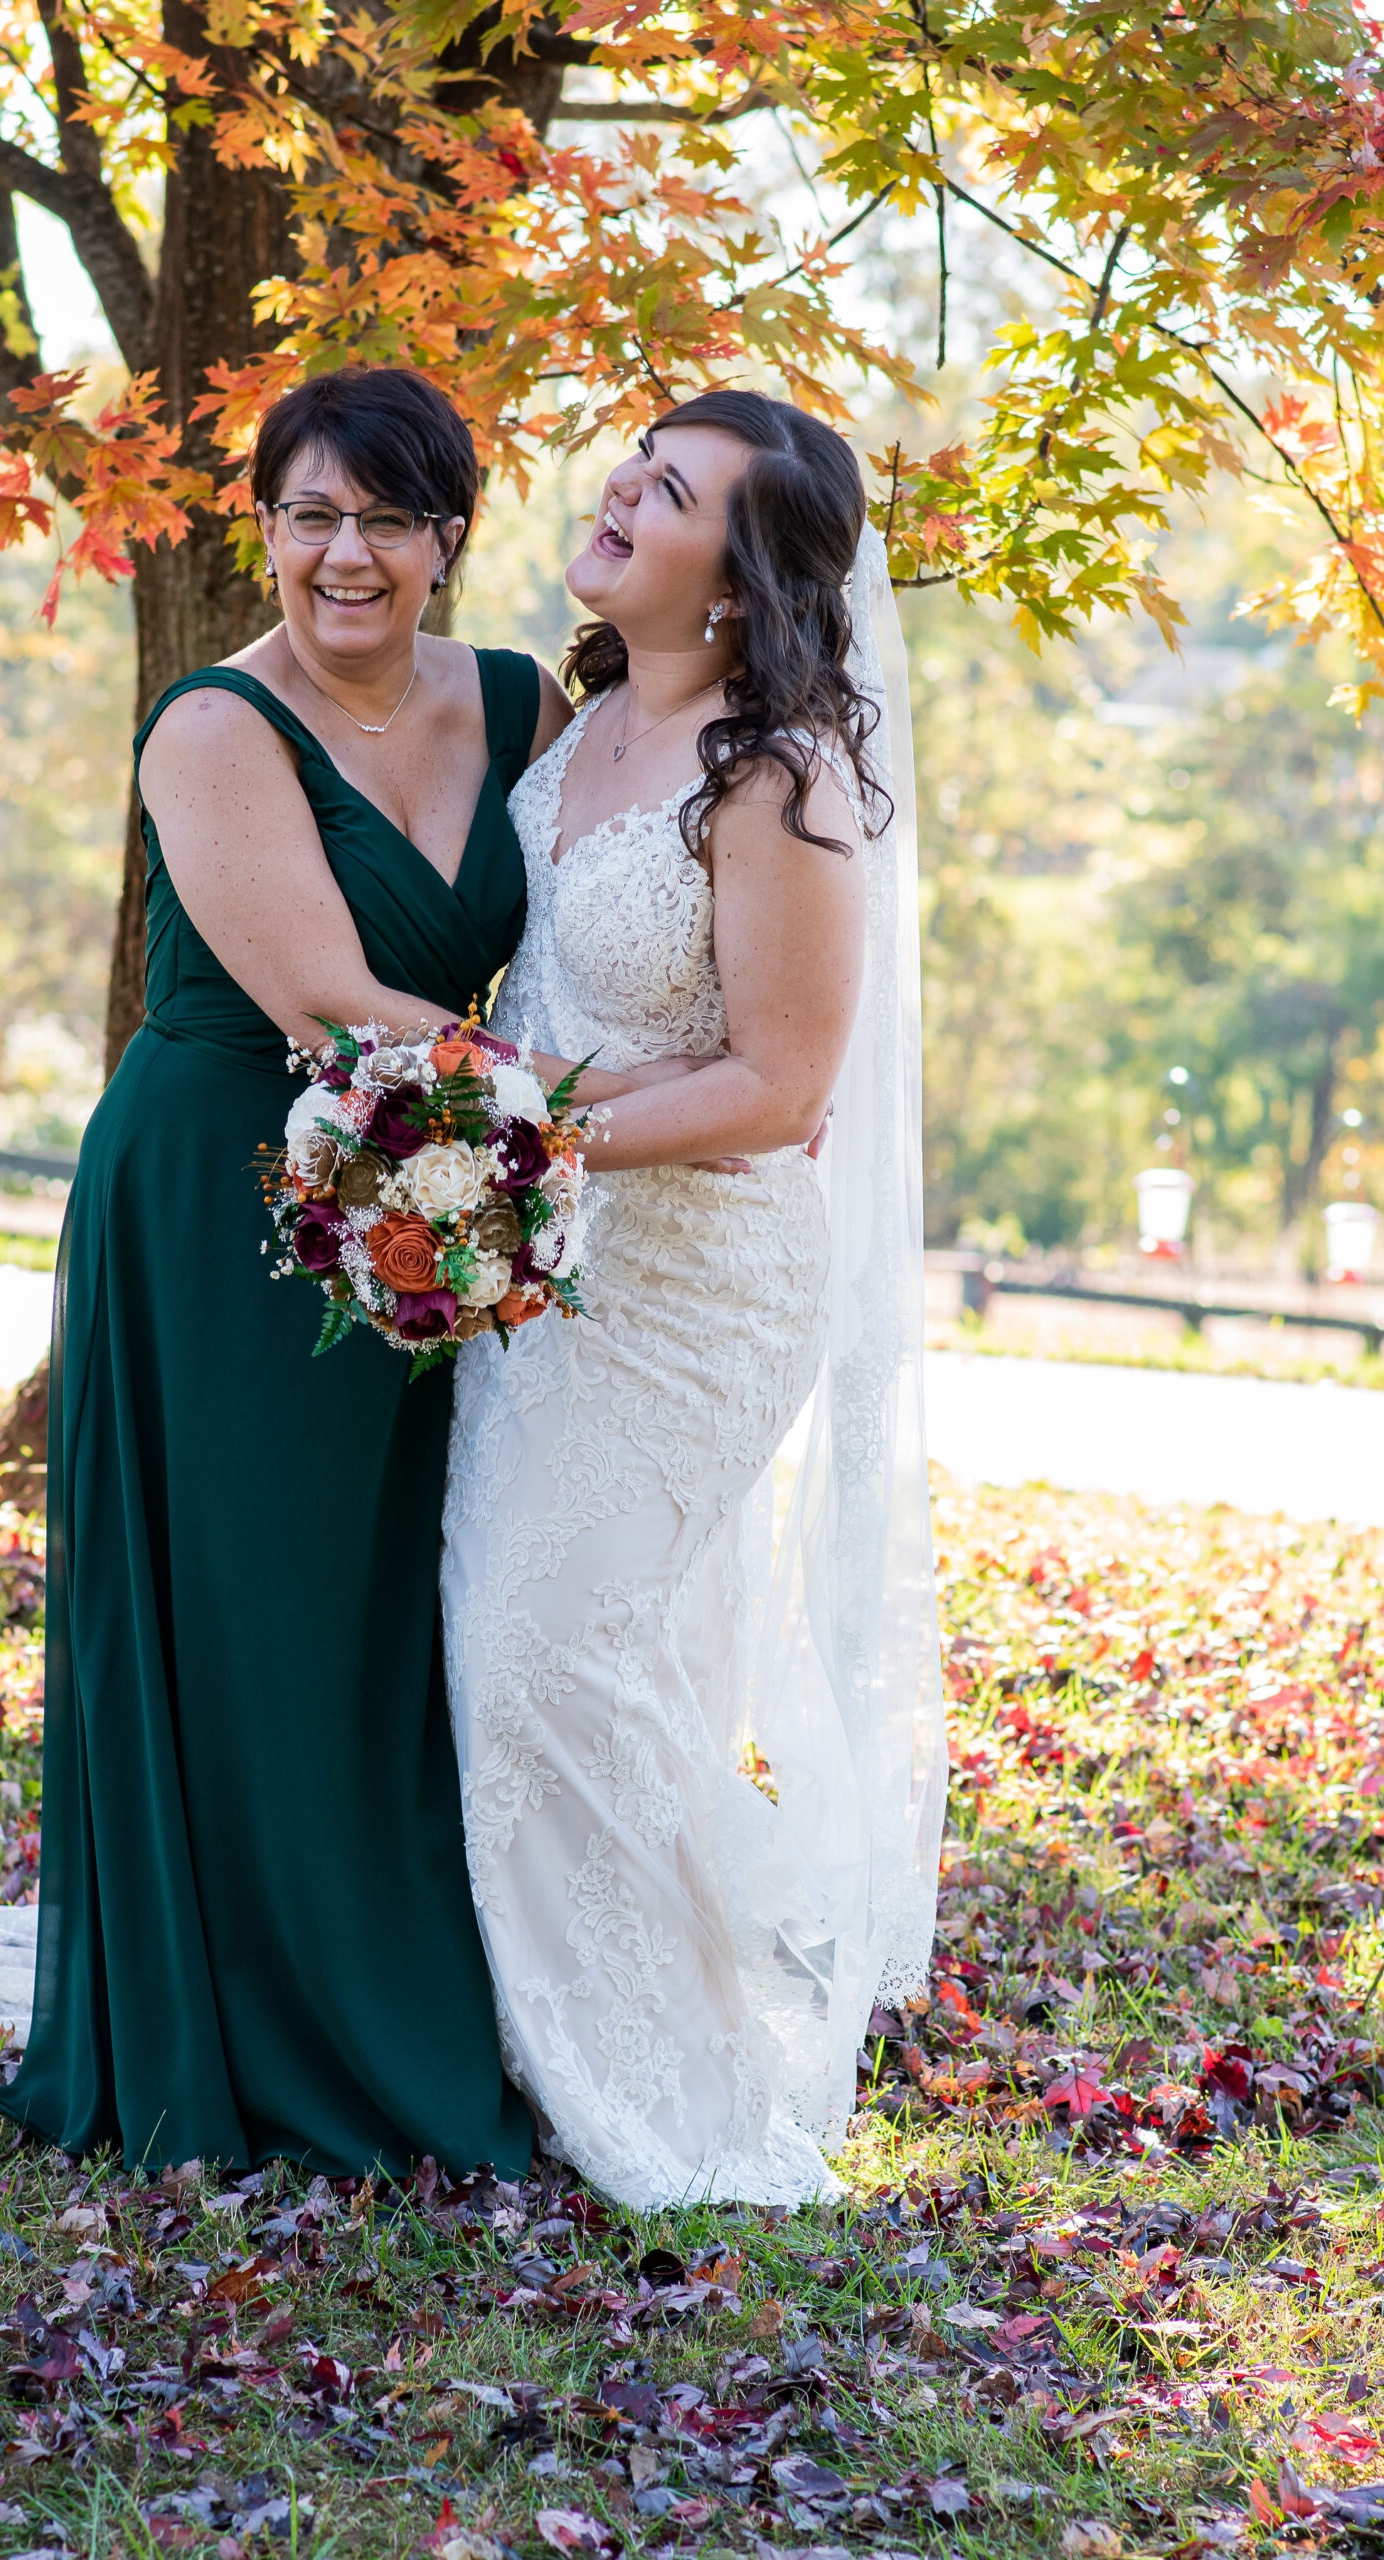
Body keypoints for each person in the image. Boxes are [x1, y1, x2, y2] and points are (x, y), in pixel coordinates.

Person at [0, 366, 574, 2178]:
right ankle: (240, 2025)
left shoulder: (522, 705)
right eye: (310, 515)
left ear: (449, 537)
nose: (346, 555)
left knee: (379, 1597)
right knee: (248, 1597)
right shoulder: (214, 726)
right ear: (263, 530)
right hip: (223, 1191)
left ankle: (390, 1978)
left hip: (434, 1182)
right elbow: (329, 1003)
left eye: (388, 518)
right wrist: (599, 1109)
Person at [441, 390, 947, 2209]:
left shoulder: (780, 778)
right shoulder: (572, 726)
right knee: (518, 1644)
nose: (619, 494)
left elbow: (781, 1087)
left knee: (548, 1647)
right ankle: (505, 2031)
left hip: (695, 1288)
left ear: (737, 581)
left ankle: (669, 2090)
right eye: (634, 464)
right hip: (535, 1260)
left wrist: (523, 1130)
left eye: (668, 491)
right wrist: (483, 1149)